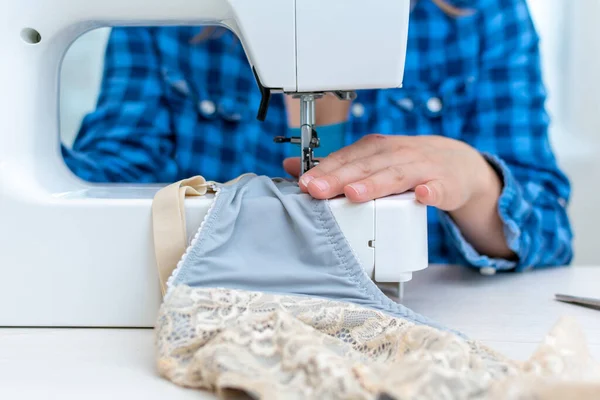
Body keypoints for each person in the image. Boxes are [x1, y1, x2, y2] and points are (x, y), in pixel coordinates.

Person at [62, 0, 573, 272]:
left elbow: (549, 231)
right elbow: (102, 180)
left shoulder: (485, 14)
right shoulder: (162, 20)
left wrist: (474, 180)